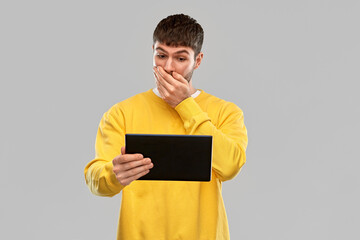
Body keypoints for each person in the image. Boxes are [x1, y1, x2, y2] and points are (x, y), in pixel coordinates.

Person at [84, 13, 248, 240]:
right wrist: (113, 174)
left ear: (197, 61)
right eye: (161, 55)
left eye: (181, 59)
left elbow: (230, 167)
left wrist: (185, 105)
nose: (168, 67)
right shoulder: (121, 113)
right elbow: (95, 181)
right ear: (152, 52)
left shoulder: (226, 112)